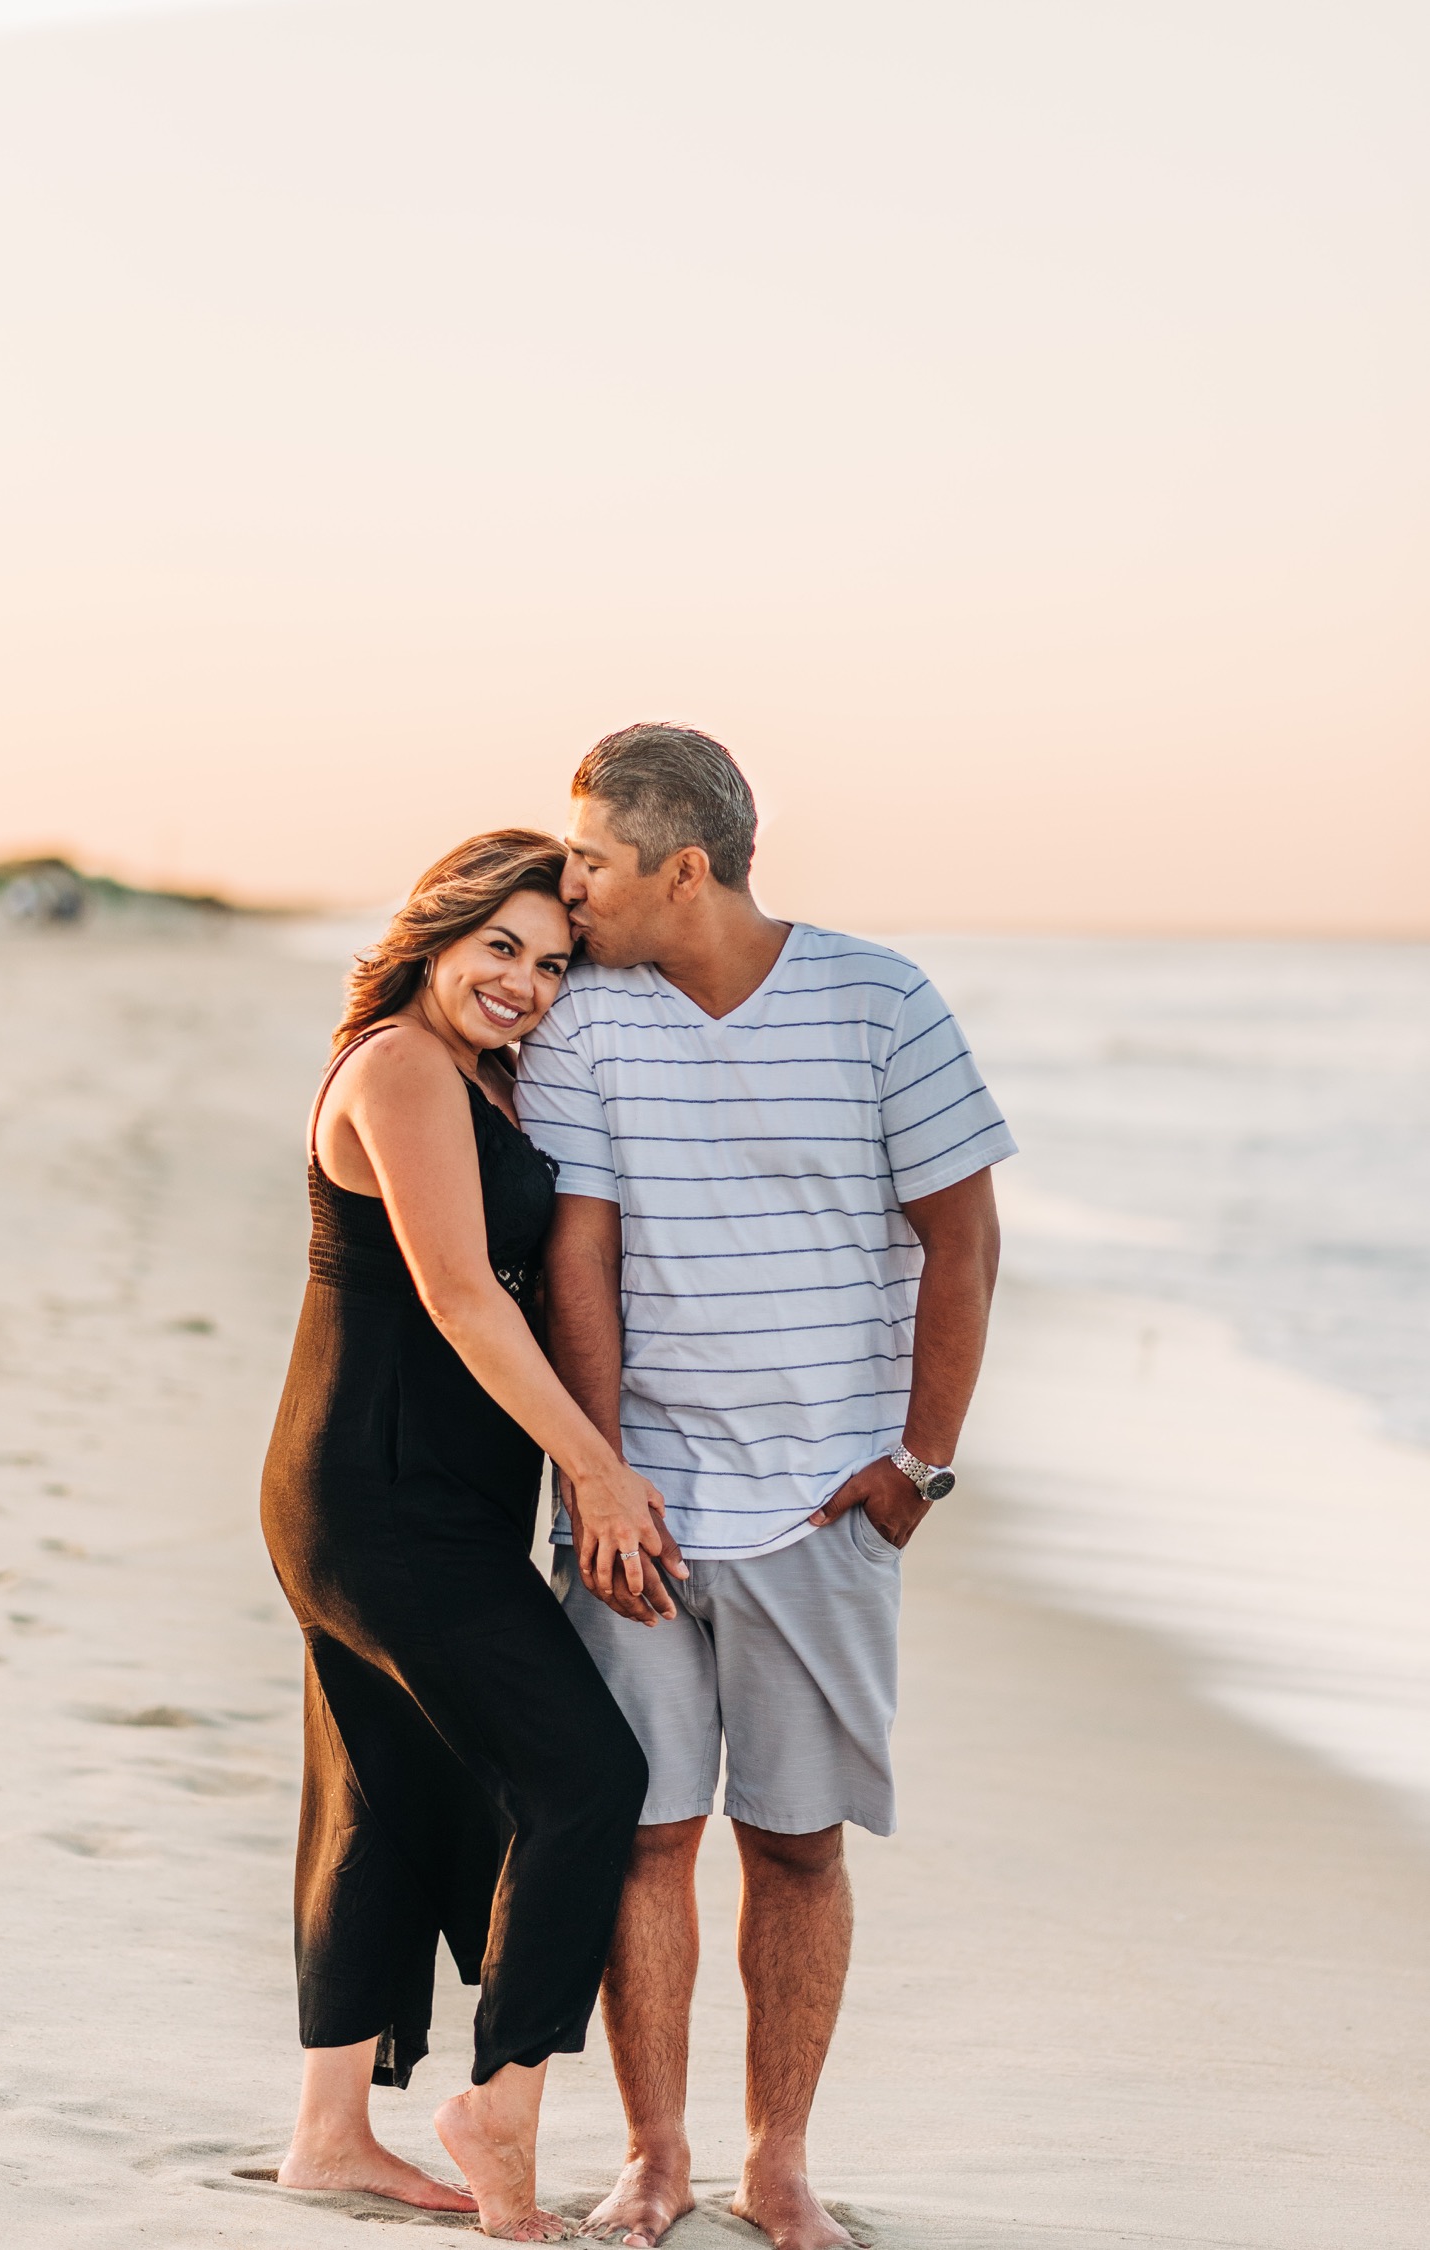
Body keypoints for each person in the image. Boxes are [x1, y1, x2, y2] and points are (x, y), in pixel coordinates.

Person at [515, 729, 1016, 2250]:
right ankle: (655, 2157)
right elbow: (578, 1255)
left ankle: (778, 2159)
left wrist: (920, 1460)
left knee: (797, 1842)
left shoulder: (879, 1000)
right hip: (641, 1509)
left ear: (682, 866)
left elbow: (964, 1238)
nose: (566, 878)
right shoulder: (585, 1019)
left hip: (825, 1507)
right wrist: (602, 1480)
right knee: (646, 1832)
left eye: (591, 855)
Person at [259, 829, 665, 2241]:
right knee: (587, 1779)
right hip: (384, 1496)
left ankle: (328, 2134)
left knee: (381, 1784)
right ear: (436, 930)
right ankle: (499, 2097)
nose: (526, 983)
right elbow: (462, 1297)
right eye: (500, 947)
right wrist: (597, 1472)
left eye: (553, 963)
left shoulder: (473, 1069)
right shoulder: (400, 1069)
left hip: (396, 1484)